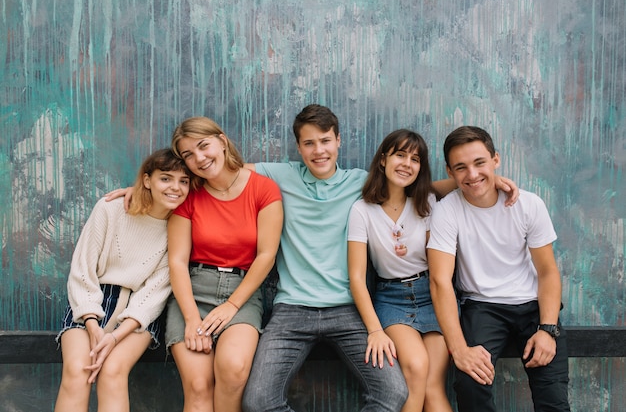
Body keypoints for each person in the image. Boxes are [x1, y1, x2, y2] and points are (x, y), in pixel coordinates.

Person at [241, 105, 519, 412]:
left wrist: (491, 178)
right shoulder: (335, 195)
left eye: (325, 141)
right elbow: (232, 170)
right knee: (413, 367)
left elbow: (425, 187)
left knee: (418, 388)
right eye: (309, 143)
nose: (319, 150)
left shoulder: (385, 191)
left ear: (339, 141)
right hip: (340, 303)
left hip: (393, 302)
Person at [427, 126, 570, 412]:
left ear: (496, 159)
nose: (472, 174)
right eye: (461, 167)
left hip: (532, 306)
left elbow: (547, 271)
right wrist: (460, 350)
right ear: (450, 172)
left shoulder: (529, 205)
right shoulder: (446, 210)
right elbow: (439, 280)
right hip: (482, 307)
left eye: (480, 163)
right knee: (469, 385)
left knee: (552, 398)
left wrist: (548, 329)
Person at [54, 148, 191, 412]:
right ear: (148, 180)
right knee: (77, 371)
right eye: (166, 178)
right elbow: (83, 270)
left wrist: (115, 336)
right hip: (90, 300)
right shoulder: (111, 209)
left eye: (183, 181)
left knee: (112, 372)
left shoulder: (180, 226)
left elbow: (155, 292)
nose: (175, 187)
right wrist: (93, 325)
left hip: (137, 311)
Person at [166, 116, 283, 412]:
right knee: (198, 385)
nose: (199, 159)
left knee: (232, 370)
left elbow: (266, 254)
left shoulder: (264, 189)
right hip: (193, 293)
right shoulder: (188, 196)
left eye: (204, 146)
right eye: (188, 155)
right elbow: (177, 261)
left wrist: (232, 304)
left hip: (242, 294)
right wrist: (192, 319)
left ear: (222, 140)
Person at [347, 129, 452, 412]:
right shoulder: (362, 210)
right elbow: (357, 277)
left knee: (433, 384)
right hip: (391, 298)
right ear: (383, 160)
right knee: (416, 367)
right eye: (400, 155)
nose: (407, 164)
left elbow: (459, 184)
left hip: (431, 295)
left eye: (415, 159)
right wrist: (374, 330)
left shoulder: (426, 203)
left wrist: (497, 179)